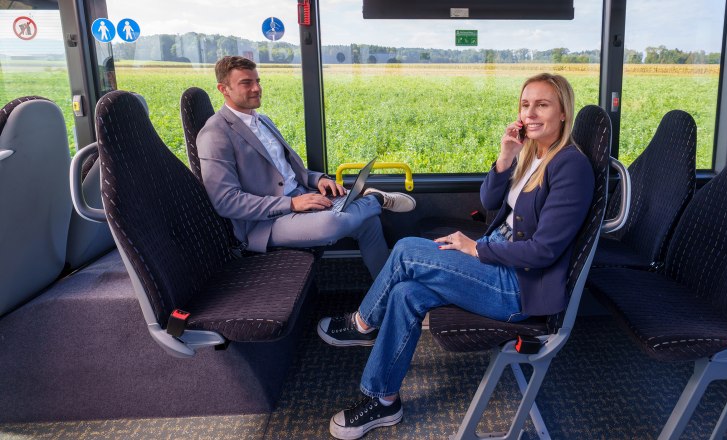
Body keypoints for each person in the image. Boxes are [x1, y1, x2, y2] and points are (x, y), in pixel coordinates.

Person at [316, 73, 595, 439]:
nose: (530, 113)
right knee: (404, 294)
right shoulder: (533, 154)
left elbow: (544, 251)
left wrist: (476, 248)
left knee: (404, 251)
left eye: (542, 105)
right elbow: (490, 202)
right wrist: (505, 157)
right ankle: (383, 401)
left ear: (563, 113)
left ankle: (363, 324)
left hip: (516, 287)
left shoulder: (570, 166)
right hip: (496, 266)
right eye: (525, 105)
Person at [197, 56, 415, 278]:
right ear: (223, 89)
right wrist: (291, 203)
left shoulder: (263, 121)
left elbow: (290, 172)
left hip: (302, 196)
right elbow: (226, 201)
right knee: (331, 224)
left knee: (369, 222)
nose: (257, 88)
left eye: (258, 81)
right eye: (246, 83)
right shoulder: (215, 134)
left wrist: (318, 180)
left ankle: (387, 288)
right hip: (265, 223)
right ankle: (375, 199)